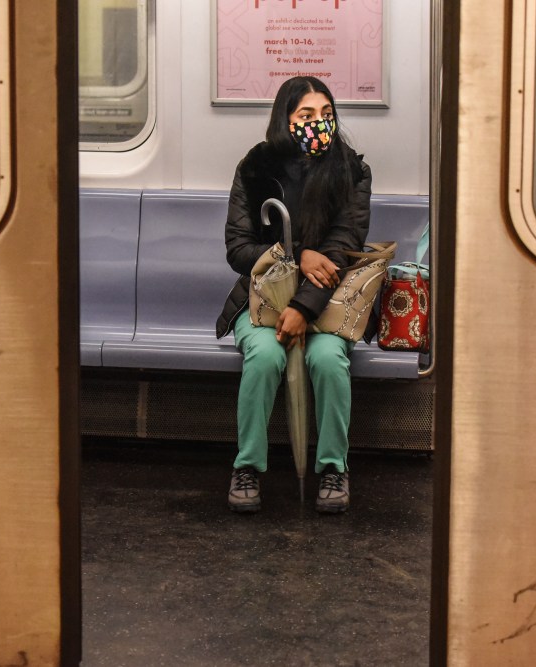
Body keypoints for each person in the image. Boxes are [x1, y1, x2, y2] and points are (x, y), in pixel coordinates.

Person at [215, 76, 372, 514]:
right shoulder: (256, 168)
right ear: (286, 120)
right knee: (264, 356)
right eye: (306, 115)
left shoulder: (352, 170)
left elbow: (343, 247)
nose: (318, 123)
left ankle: (333, 468)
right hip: (263, 299)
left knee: (327, 359)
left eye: (326, 114)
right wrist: (300, 256)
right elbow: (238, 248)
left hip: (326, 300)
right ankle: (246, 466)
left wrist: (303, 306)